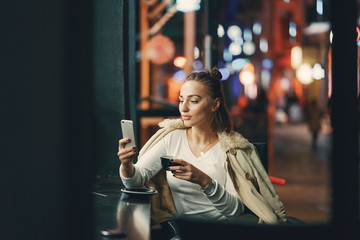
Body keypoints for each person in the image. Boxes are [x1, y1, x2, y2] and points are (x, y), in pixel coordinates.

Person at [117, 67, 286, 229]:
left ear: (215, 104)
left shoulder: (231, 150)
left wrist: (205, 181)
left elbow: (235, 211)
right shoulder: (172, 138)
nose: (184, 108)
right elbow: (135, 180)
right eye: (181, 100)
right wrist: (126, 165)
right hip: (182, 230)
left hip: (223, 231)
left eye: (194, 101)